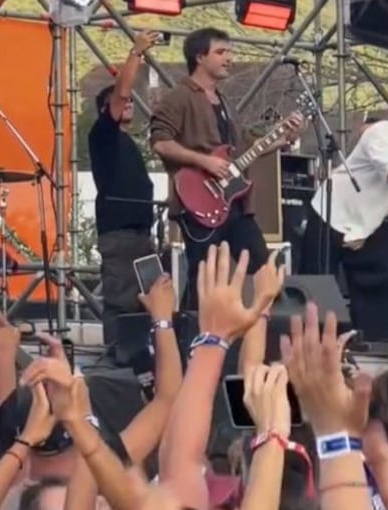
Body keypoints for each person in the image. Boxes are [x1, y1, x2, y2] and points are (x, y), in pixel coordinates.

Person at [150, 27, 301, 296]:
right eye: (221, 52)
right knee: (204, 276)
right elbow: (160, 142)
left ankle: (266, 328)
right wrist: (204, 162)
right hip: (197, 201)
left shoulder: (225, 102)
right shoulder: (179, 97)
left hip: (235, 203)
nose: (229, 58)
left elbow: (242, 150)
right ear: (199, 57)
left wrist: (281, 139)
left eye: (229, 51)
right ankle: (191, 333)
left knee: (264, 265)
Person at [299, 94, 388, 342]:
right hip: (332, 212)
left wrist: (366, 231)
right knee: (318, 288)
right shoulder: (380, 134)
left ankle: (378, 346)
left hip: (368, 224)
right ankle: (316, 347)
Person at [88, 32, 159, 352]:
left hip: (141, 232)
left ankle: (140, 357)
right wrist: (136, 54)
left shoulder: (128, 141)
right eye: (122, 102)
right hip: (119, 233)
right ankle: (115, 358)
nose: (128, 104)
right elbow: (121, 91)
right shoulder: (102, 134)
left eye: (132, 103)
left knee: (148, 298)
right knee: (121, 300)